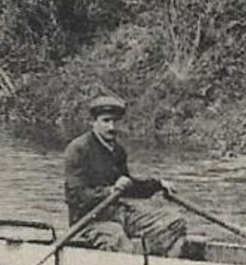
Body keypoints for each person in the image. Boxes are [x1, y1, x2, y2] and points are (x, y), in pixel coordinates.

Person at [63, 94, 189, 256]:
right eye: (106, 121)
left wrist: (158, 185)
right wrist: (110, 191)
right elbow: (76, 196)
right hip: (88, 221)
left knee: (174, 221)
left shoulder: (117, 151)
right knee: (116, 236)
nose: (112, 127)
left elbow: (128, 186)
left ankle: (152, 262)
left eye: (115, 122)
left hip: (119, 214)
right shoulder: (78, 149)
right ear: (93, 122)